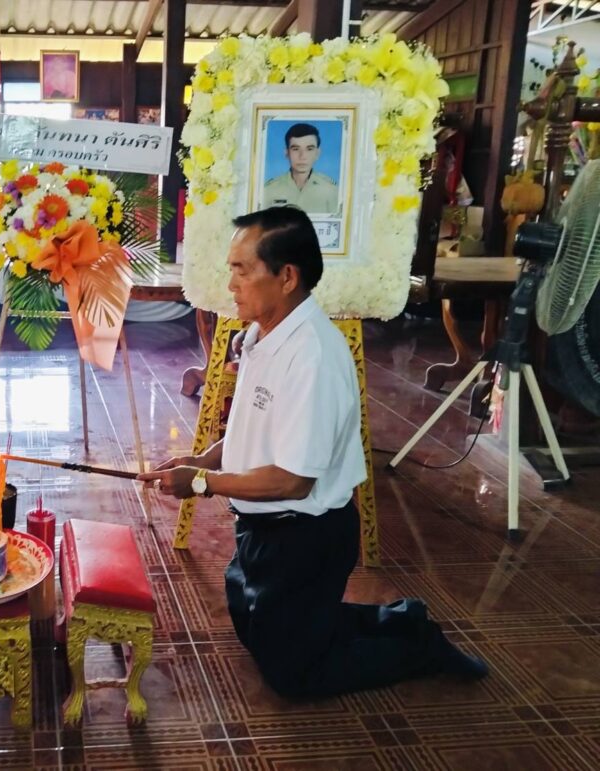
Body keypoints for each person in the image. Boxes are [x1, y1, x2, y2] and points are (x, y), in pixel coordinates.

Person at [138, 207, 488, 699]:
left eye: (242, 270)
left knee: (295, 677)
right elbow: (250, 431)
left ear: (287, 277)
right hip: (263, 528)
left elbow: (292, 481)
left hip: (305, 536)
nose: (231, 284)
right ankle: (396, 620)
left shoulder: (313, 357)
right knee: (261, 628)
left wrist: (200, 483)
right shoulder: (261, 335)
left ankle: (420, 647)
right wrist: (201, 461)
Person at [262, 123, 339, 214]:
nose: (302, 156)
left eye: (309, 149)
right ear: (286, 153)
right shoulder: (268, 190)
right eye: (296, 149)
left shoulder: (331, 190)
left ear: (317, 153)